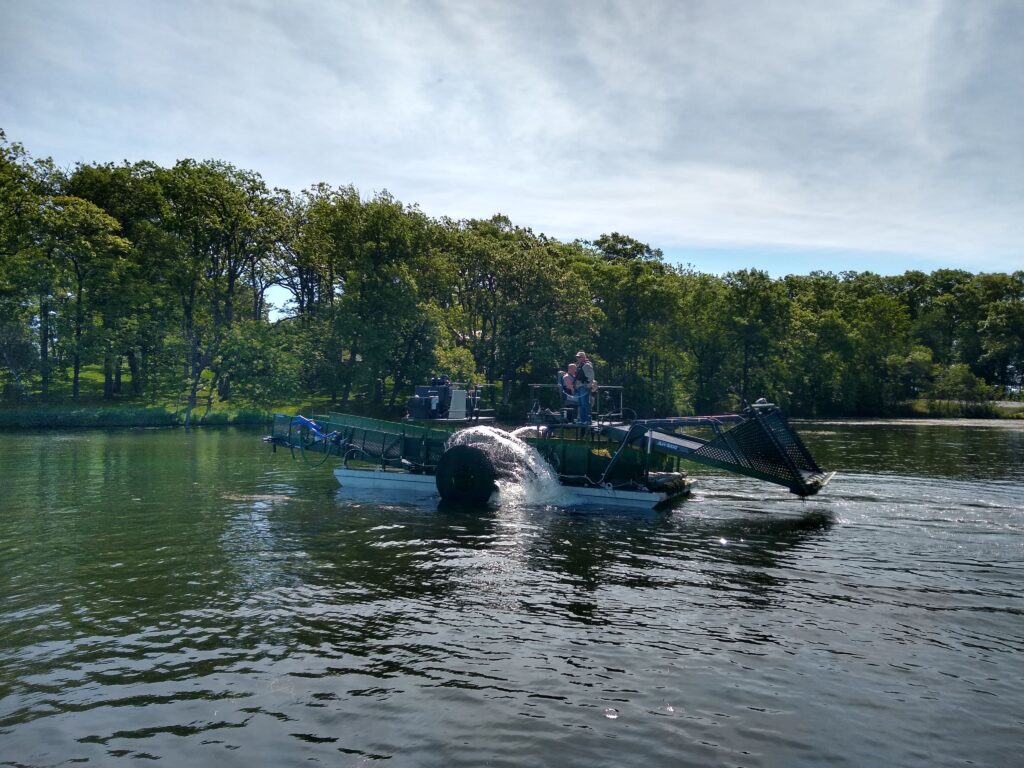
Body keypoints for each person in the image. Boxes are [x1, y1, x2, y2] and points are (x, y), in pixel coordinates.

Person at [574, 351, 596, 424]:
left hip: (584, 387)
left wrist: (588, 385)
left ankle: (588, 420)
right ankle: (582, 420)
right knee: (580, 404)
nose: (578, 358)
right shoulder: (579, 365)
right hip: (579, 387)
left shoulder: (587, 365)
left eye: (579, 357)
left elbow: (591, 376)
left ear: (584, 357)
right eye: (577, 357)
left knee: (585, 404)